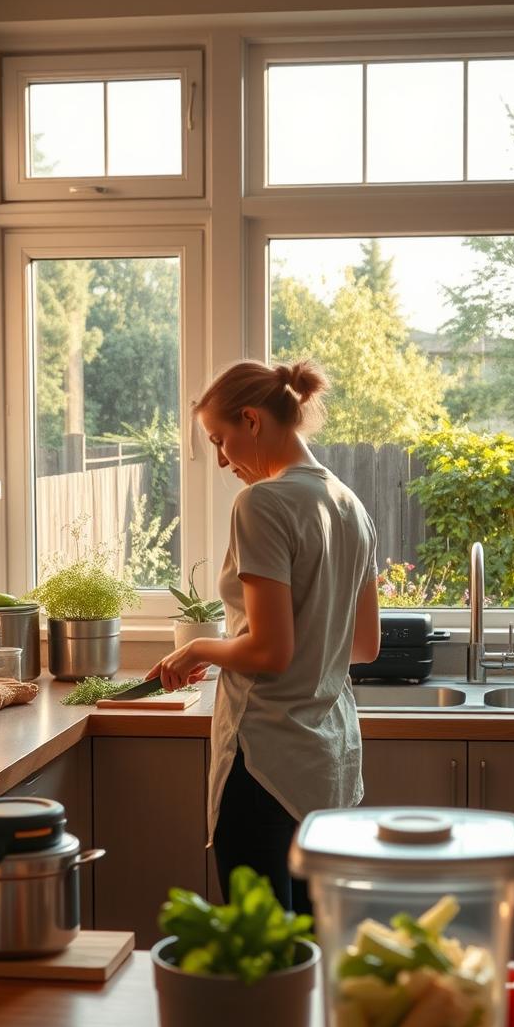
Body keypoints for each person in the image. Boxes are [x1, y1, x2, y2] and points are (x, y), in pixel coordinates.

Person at [146, 359, 380, 913]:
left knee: (262, 960)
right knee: (317, 947)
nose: (223, 460)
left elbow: (270, 652)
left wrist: (199, 647)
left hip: (265, 764)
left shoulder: (263, 503)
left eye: (221, 441)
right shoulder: (350, 505)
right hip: (328, 762)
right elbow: (365, 645)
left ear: (252, 420)